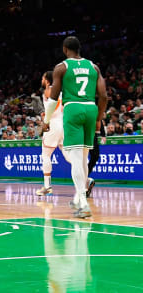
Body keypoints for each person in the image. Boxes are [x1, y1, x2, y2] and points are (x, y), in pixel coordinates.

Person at [45, 36, 108, 218]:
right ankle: (79, 198)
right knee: (83, 158)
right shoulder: (93, 66)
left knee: (75, 157)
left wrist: (46, 121)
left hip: (72, 109)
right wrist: (99, 118)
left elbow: (53, 98)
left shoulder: (62, 67)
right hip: (91, 109)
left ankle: (83, 202)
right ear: (79, 49)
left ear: (65, 49)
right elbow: (103, 96)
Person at [36, 71, 65, 196]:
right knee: (69, 155)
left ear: (47, 80)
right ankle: (86, 179)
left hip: (52, 124)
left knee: (46, 155)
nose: (41, 80)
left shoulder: (49, 90)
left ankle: (47, 186)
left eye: (43, 78)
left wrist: (46, 118)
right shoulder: (62, 91)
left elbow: (53, 106)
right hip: (63, 124)